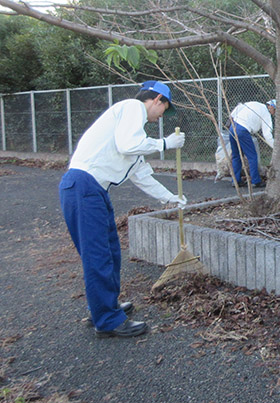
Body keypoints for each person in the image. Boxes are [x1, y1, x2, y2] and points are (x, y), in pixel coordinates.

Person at [59, 80, 187, 339]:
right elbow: (128, 146)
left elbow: (141, 174)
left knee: (111, 252)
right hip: (83, 187)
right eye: (164, 108)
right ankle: (106, 321)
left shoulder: (132, 131)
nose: (162, 115)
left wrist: (170, 197)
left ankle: (106, 307)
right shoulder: (131, 108)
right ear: (156, 100)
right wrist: (164, 144)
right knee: (98, 257)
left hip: (95, 191)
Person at [228, 100, 275, 188]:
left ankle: (235, 181)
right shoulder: (266, 114)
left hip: (233, 127)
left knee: (236, 155)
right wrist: (275, 148)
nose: (274, 113)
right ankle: (255, 181)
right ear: (271, 107)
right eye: (275, 110)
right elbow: (267, 135)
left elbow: (237, 108)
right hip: (243, 130)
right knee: (252, 156)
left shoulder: (254, 103)